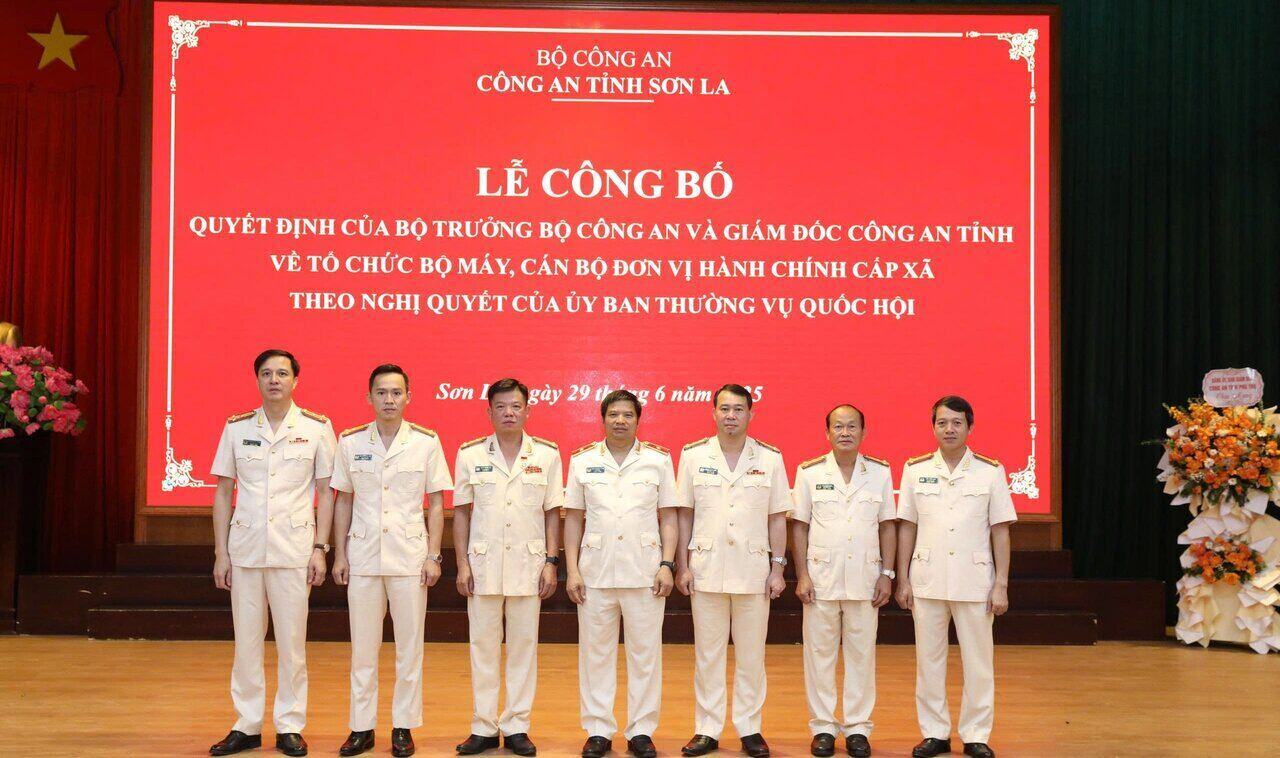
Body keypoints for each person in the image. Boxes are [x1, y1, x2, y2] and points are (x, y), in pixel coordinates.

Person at [209, 349, 336, 757]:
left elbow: (326, 494)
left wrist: (321, 548)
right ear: (257, 380)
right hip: (245, 550)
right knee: (246, 642)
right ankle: (246, 725)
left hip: (294, 550)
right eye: (267, 373)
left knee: (292, 643)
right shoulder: (236, 427)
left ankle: (289, 725)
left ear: (296, 380)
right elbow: (224, 492)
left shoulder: (317, 428)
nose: (275, 380)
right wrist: (220, 553)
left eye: (282, 373)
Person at [330, 364, 452, 757]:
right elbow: (343, 500)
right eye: (381, 392)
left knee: (408, 648)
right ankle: (361, 727)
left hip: (410, 558)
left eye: (396, 393)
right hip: (363, 557)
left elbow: (436, 503)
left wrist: (434, 555)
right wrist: (339, 554)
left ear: (408, 397)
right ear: (369, 397)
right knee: (362, 649)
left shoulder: (426, 442)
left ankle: (403, 727)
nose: (388, 400)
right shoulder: (349, 443)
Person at [895, 396, 1016, 758]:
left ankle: (976, 734)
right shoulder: (915, 469)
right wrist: (902, 578)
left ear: (970, 427)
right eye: (942, 422)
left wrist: (1002, 583)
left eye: (957, 423)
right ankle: (935, 733)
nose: (949, 429)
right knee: (928, 660)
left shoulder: (989, 471)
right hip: (928, 578)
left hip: (975, 581)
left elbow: (1000, 531)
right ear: (932, 427)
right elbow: (906, 528)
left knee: (978, 662)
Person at [675, 384, 789, 758]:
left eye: (738, 409)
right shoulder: (693, 455)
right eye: (724, 409)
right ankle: (706, 729)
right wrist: (682, 564)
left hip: (753, 570)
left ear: (750, 414)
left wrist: (778, 568)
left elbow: (776, 518)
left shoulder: (770, 458)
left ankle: (750, 729)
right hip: (706, 568)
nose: (730, 416)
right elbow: (685, 514)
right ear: (713, 413)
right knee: (707, 654)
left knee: (752, 655)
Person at [563, 389, 679, 758]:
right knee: (595, 655)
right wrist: (572, 571)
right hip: (594, 573)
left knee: (645, 655)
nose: (620, 421)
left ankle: (641, 731)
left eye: (627, 415)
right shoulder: (582, 460)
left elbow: (670, 517)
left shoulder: (658, 461)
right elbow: (573, 520)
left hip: (645, 573)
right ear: (603, 418)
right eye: (613, 414)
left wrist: (668, 564)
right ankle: (598, 729)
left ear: (637, 420)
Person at [453, 378, 564, 757]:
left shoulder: (547, 455)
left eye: (516, 406)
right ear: (489, 412)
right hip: (482, 566)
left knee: (523, 648)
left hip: (528, 566)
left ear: (528, 410)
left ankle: (517, 726)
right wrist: (461, 563)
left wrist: (551, 562)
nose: (509, 413)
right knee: (482, 647)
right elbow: (462, 515)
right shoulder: (469, 454)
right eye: (500, 406)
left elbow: (553, 513)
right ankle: (483, 727)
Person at [791, 405, 897, 758]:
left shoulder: (880, 472)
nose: (845, 432)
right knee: (818, 655)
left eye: (852, 426)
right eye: (838, 427)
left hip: (866, 579)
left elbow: (887, 525)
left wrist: (888, 573)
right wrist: (802, 574)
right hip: (820, 578)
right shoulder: (808, 472)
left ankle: (857, 728)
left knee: (861, 655)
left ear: (864, 432)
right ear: (827, 433)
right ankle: (822, 726)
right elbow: (800, 525)